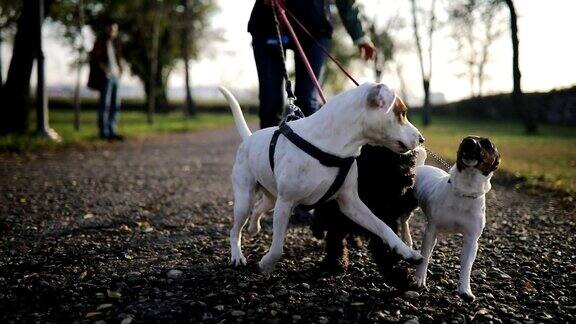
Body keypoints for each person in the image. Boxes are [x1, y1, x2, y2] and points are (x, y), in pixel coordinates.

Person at [248, 0, 376, 129]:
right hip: (267, 24)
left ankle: (306, 148)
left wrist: (359, 35)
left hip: (314, 27)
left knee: (307, 101)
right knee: (270, 102)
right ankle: (268, 147)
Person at [88, 21, 124, 140]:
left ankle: (112, 131)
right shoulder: (100, 42)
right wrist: (104, 70)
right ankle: (104, 132)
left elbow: (118, 59)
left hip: (115, 77)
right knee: (105, 105)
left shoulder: (115, 43)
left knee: (115, 105)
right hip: (106, 78)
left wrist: (120, 70)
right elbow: (94, 59)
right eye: (111, 29)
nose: (113, 32)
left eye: (115, 29)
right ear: (107, 29)